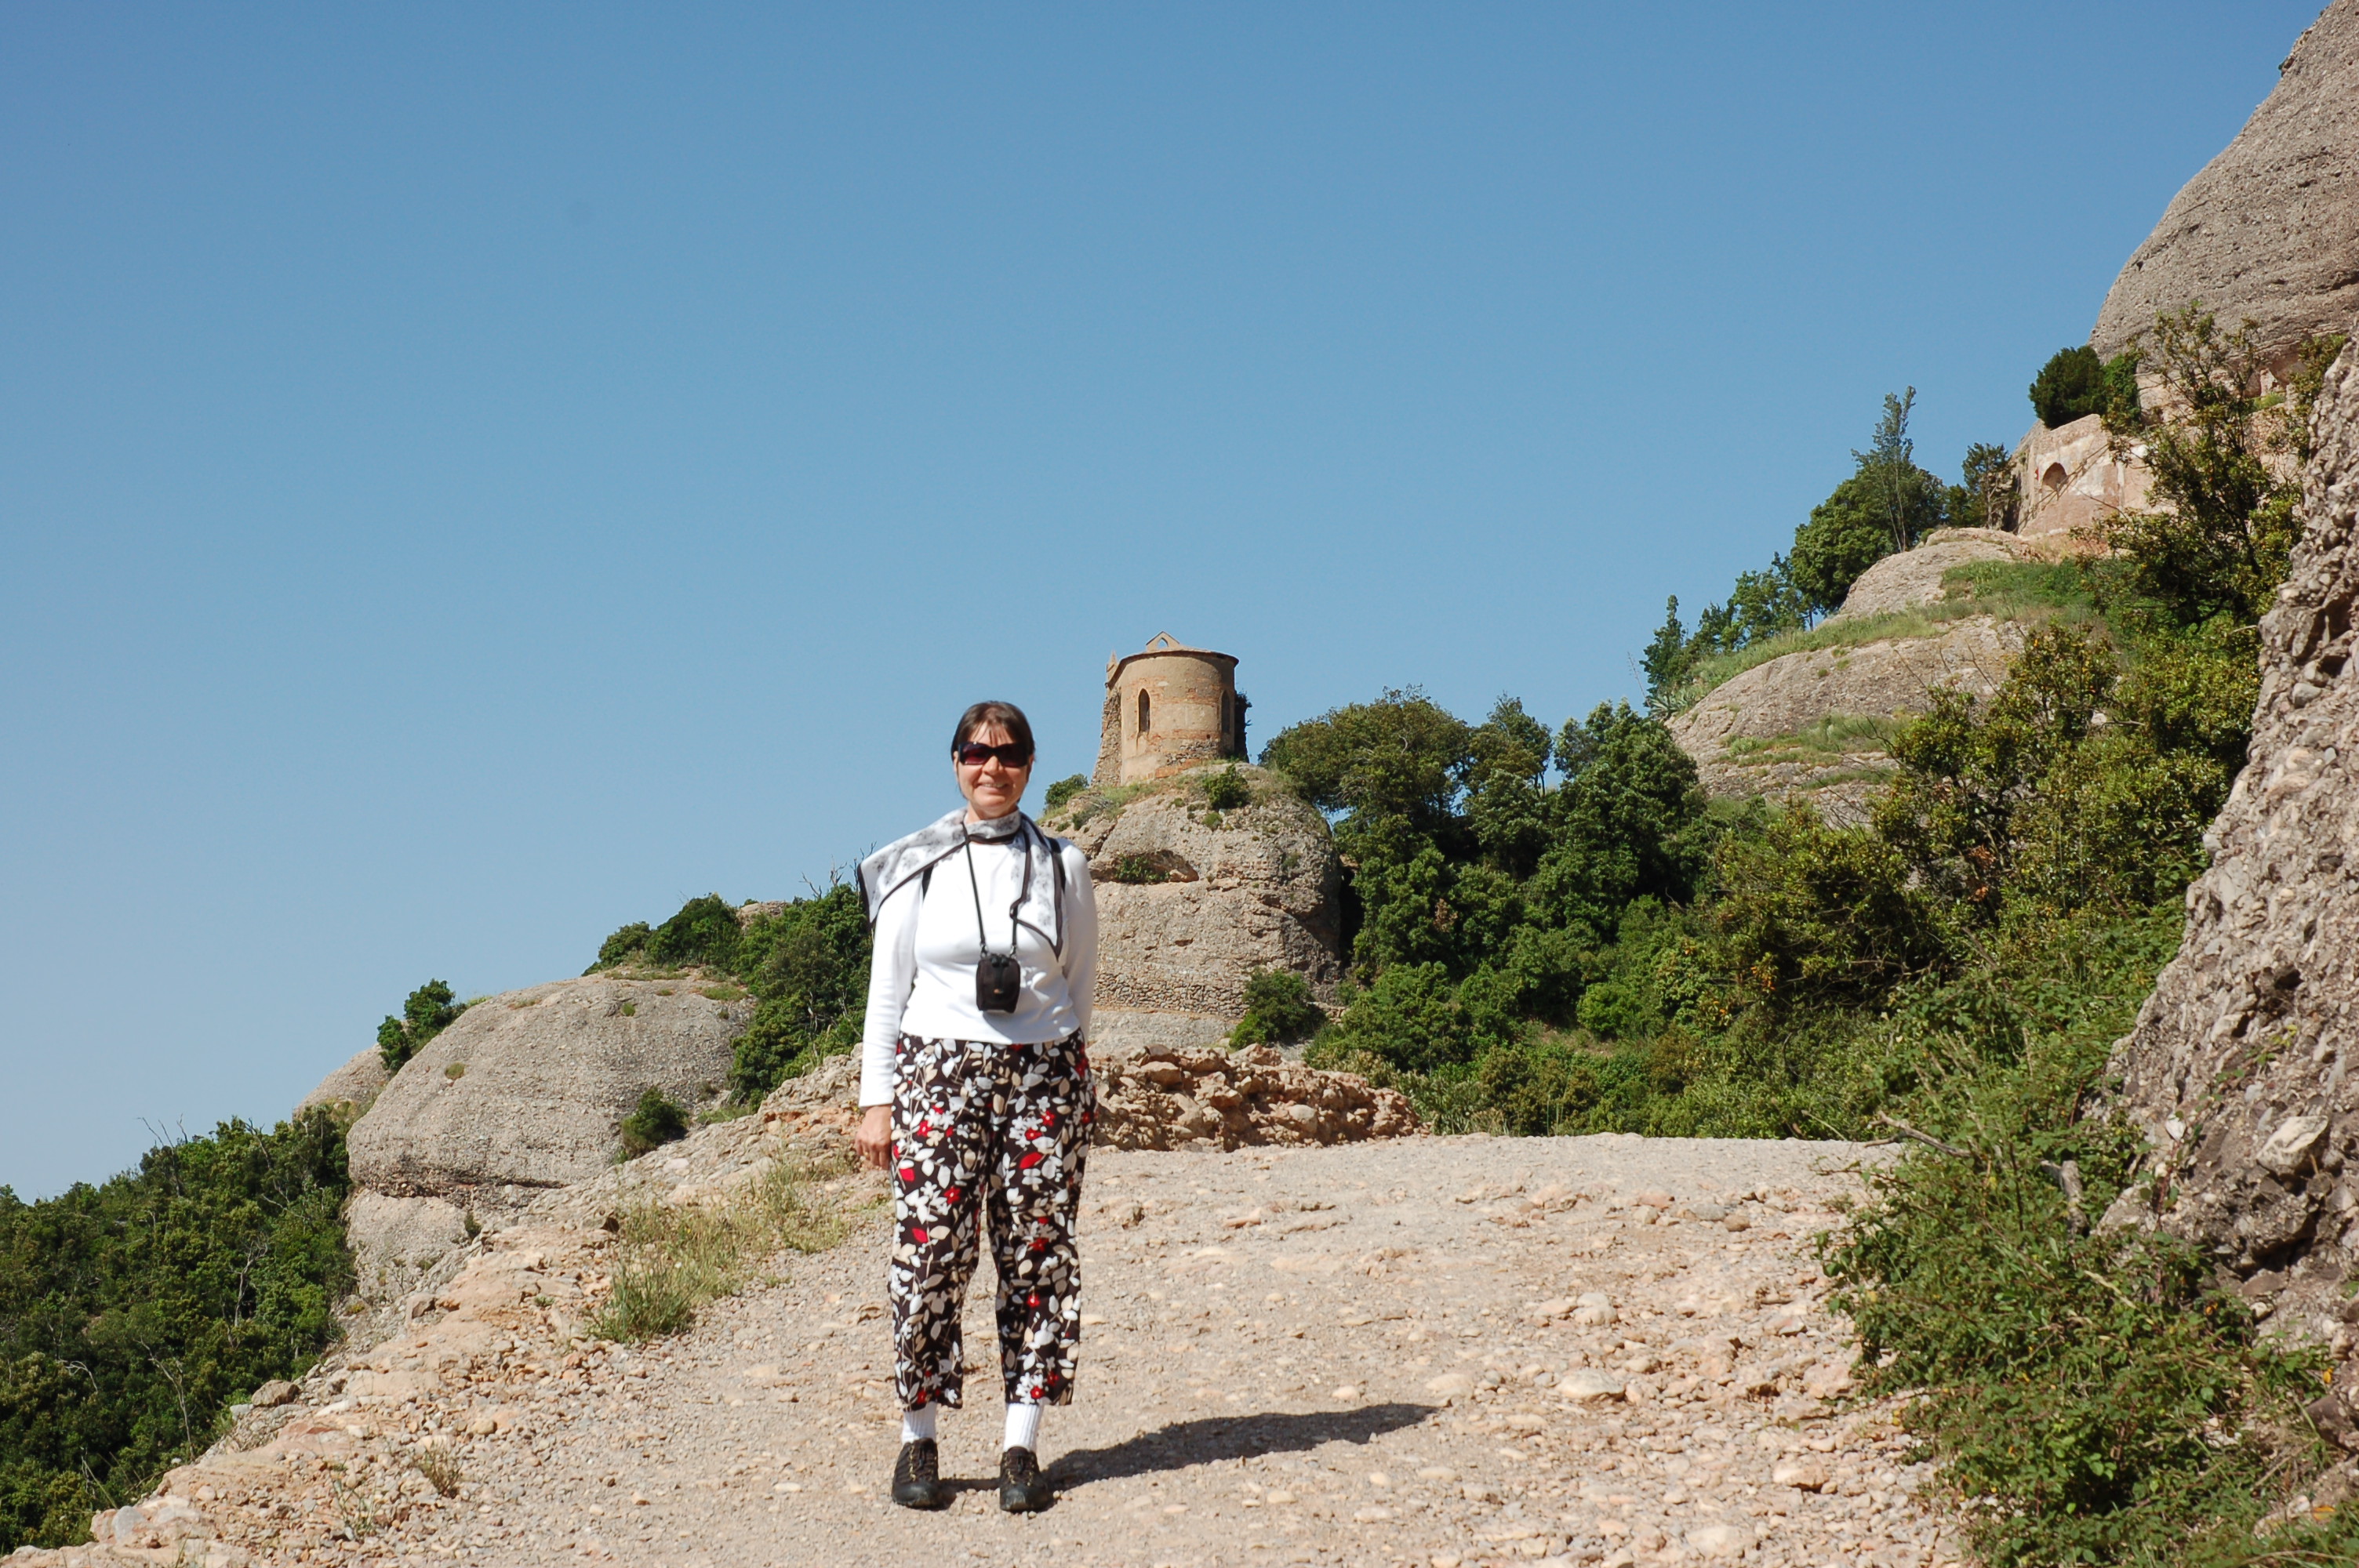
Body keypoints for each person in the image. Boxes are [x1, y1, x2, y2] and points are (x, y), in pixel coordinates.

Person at [852, 700, 1098, 1513]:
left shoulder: (1061, 864)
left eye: (1009, 753)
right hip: (936, 1071)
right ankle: (917, 1437)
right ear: (954, 761)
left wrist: (1061, 1063)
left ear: (1030, 764)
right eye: (976, 752)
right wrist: (877, 1101)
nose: (992, 767)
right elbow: (887, 990)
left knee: (1037, 1256)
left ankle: (1020, 1446)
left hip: (1043, 1074)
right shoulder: (915, 862)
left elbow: (1079, 979)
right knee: (928, 1255)